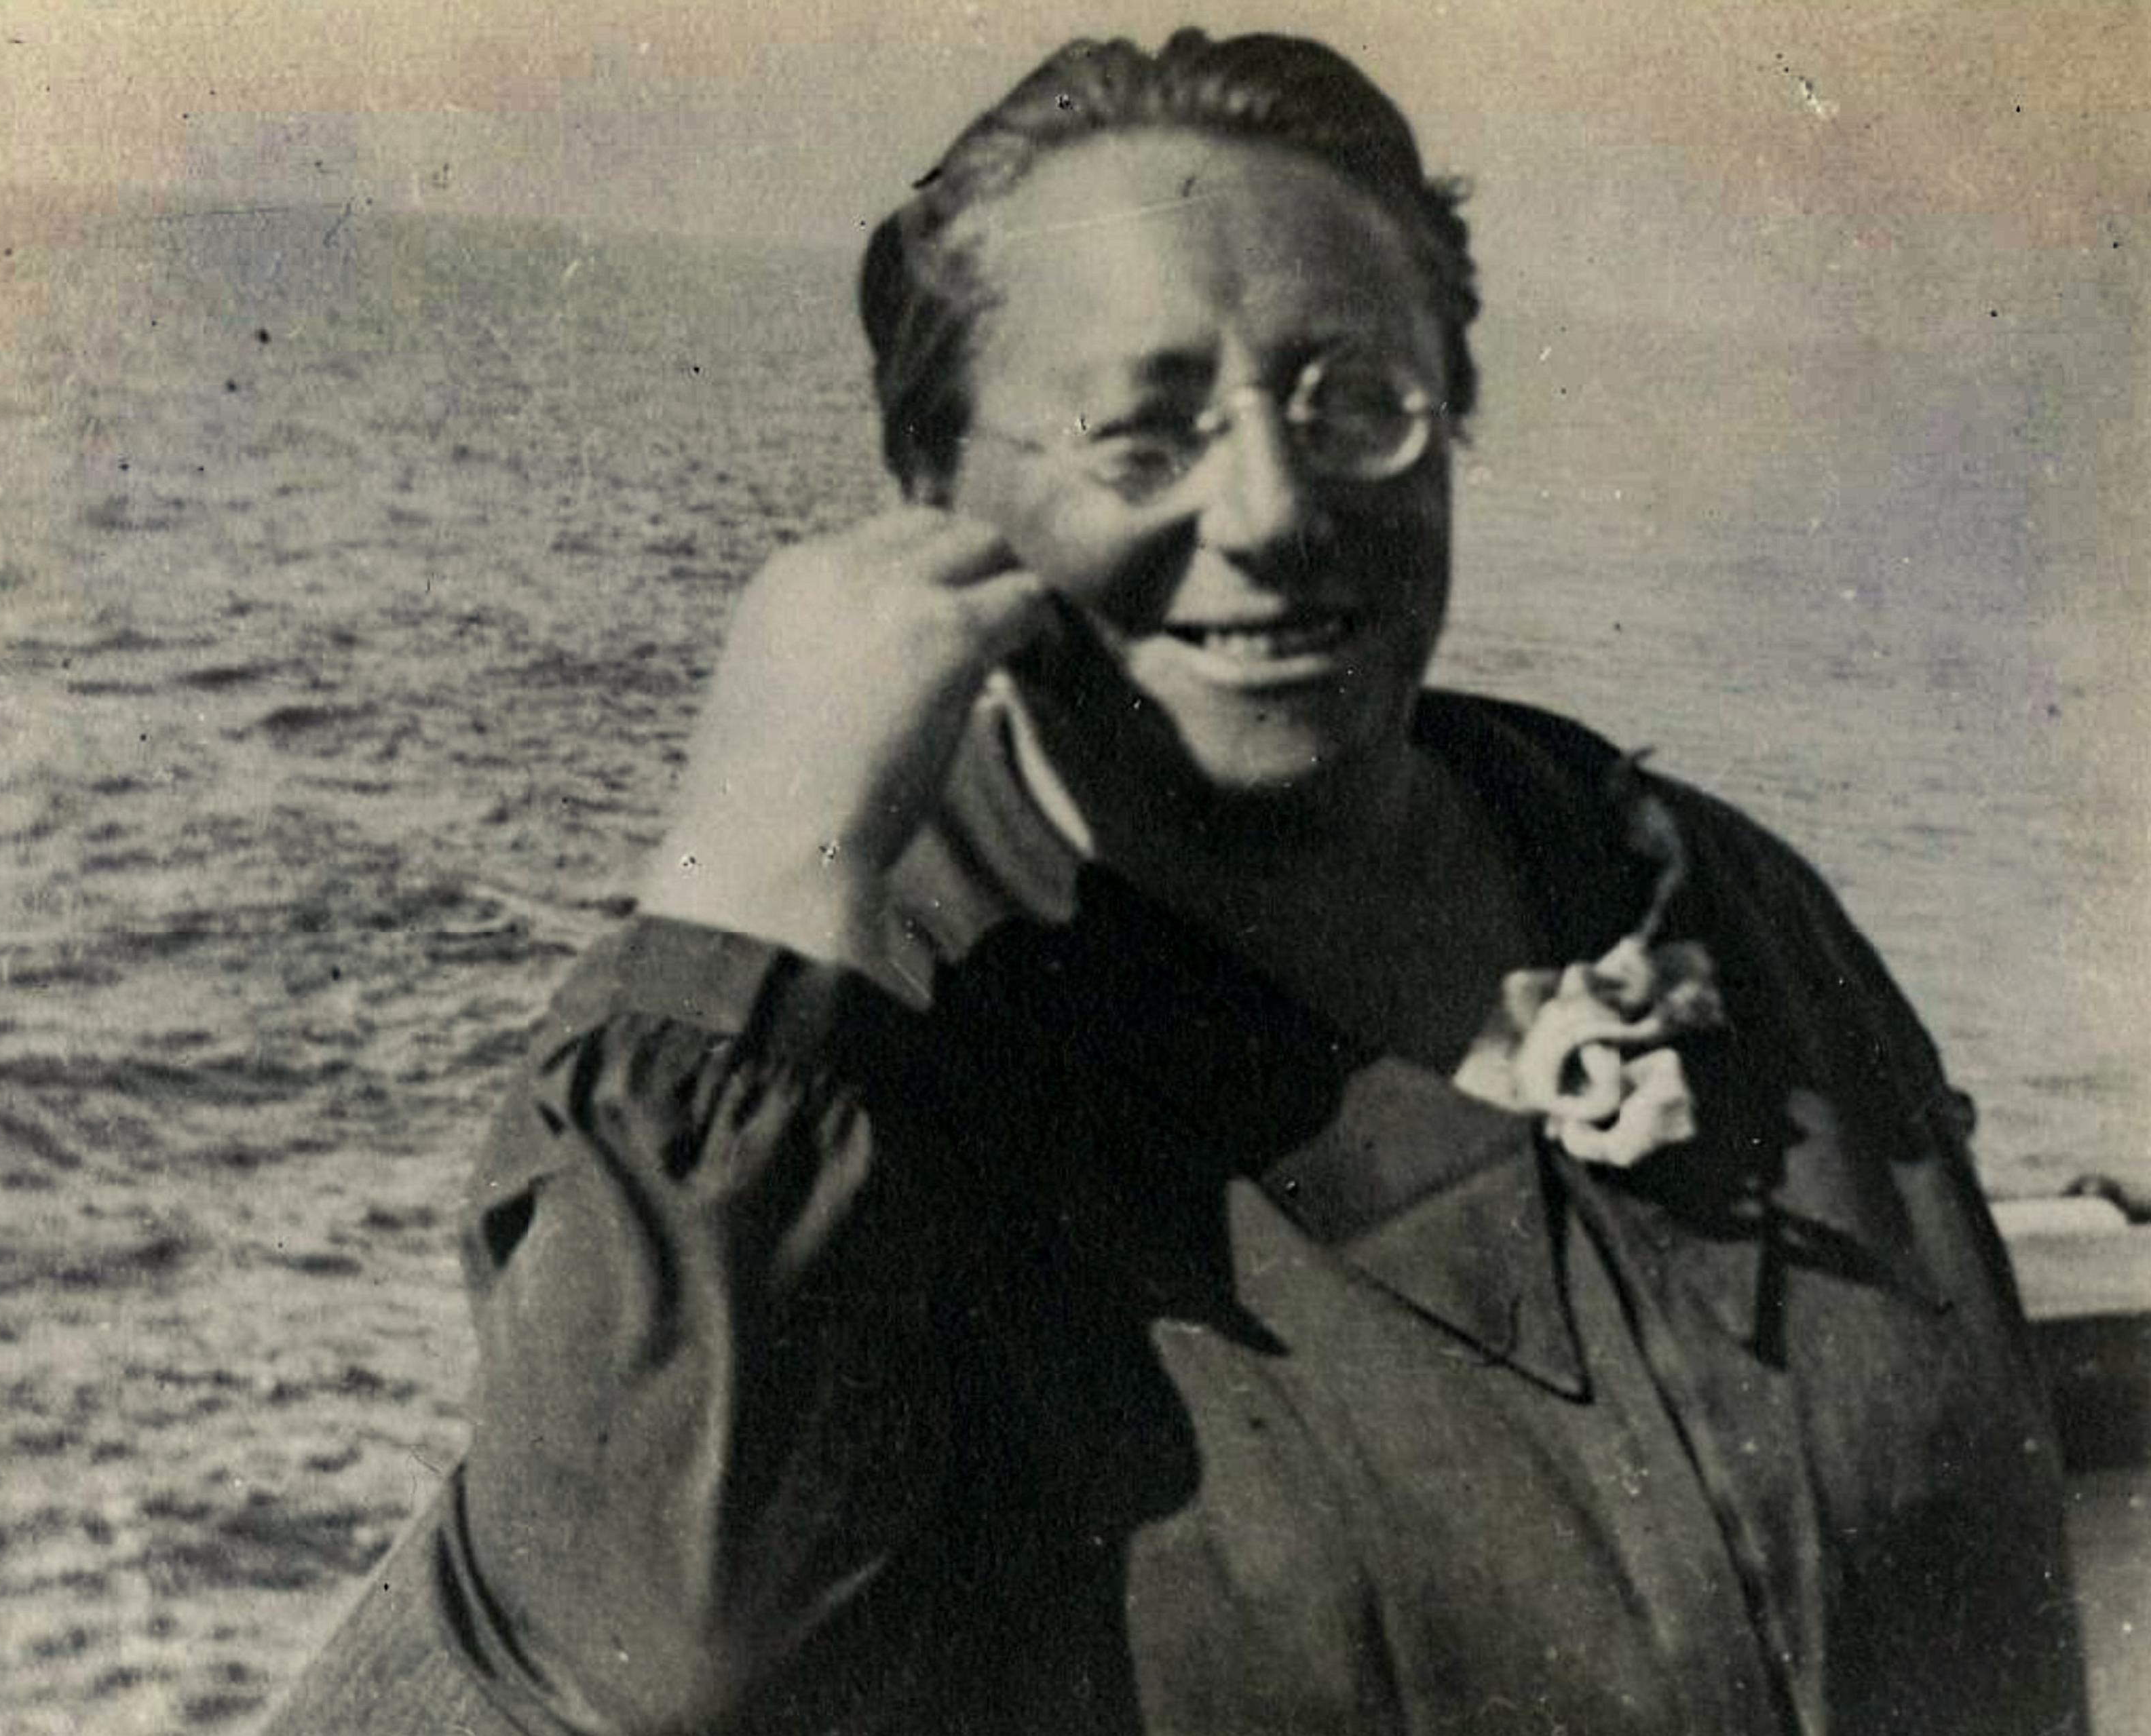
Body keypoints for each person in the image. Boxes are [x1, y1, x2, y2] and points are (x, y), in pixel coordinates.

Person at [263, 28, 2088, 1735]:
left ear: (1453, 414)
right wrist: (753, 867)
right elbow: (636, 1668)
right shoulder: (829, 1059)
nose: (1276, 506)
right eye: (1144, 432)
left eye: (1355, 398)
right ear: (928, 484)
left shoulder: (1704, 904)